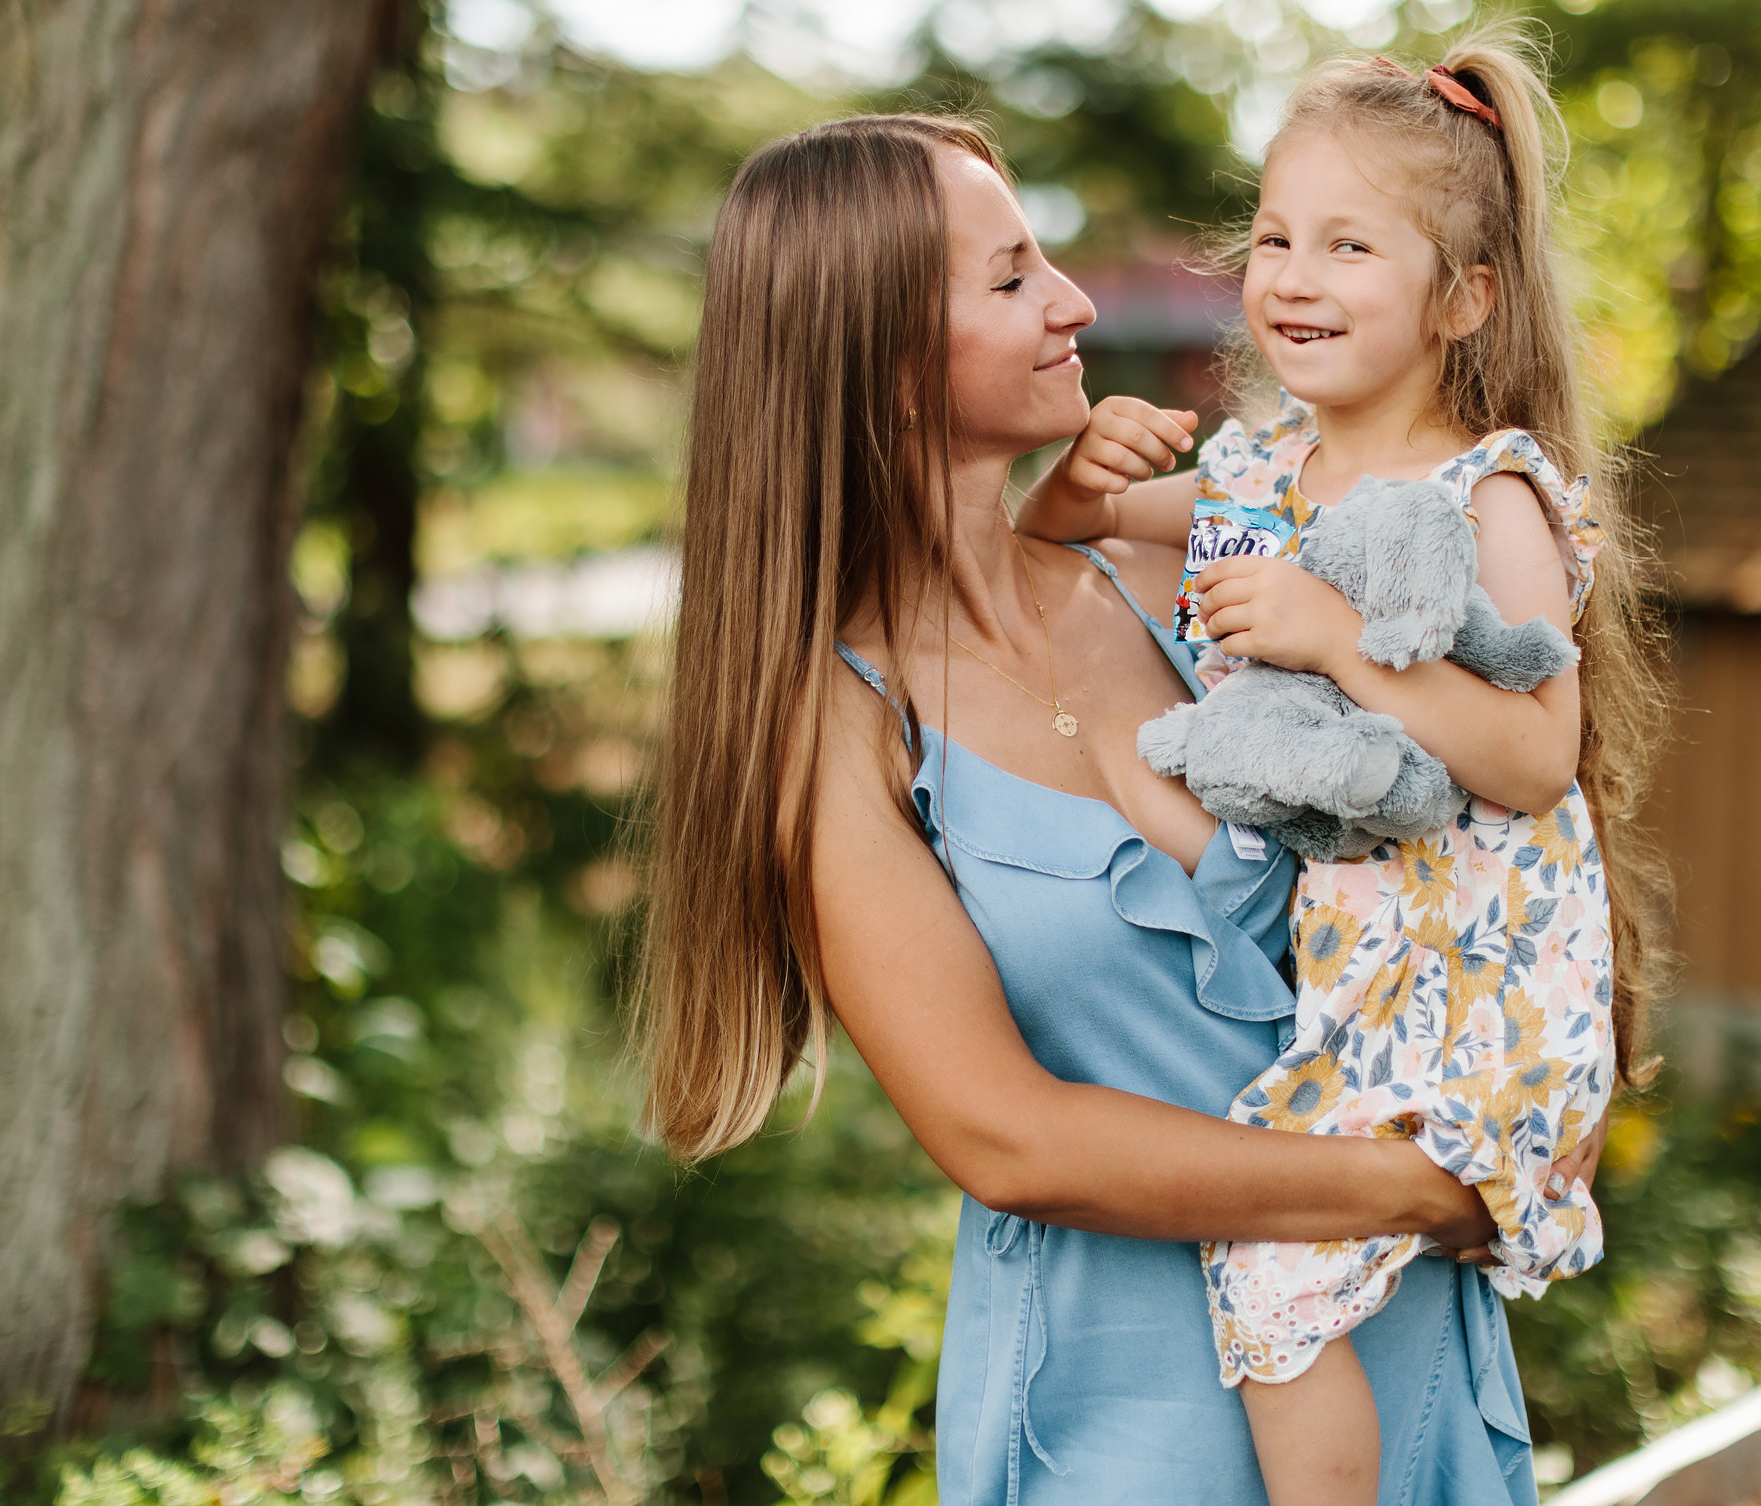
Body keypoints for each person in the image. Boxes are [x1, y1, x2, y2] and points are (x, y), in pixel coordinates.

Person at [636, 111, 1601, 1504]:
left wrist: (1542, 1067)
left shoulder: (1181, 585)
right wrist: (1424, 1190)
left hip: (1407, 1362)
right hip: (1121, 1425)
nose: (1077, 302)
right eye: (1014, 275)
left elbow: (1481, 806)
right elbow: (1006, 1137)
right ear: (884, 360)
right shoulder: (835, 726)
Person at [1015, 33, 1664, 1506]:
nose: (1293, 276)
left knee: (1269, 1282)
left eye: (1349, 245)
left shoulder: (1486, 489)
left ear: (1464, 298)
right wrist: (1077, 467)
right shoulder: (1251, 481)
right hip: (1359, 982)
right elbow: (1065, 535)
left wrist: (1334, 635)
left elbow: (1531, 751)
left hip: (1476, 988)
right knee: (1277, 1290)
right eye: (1275, 238)